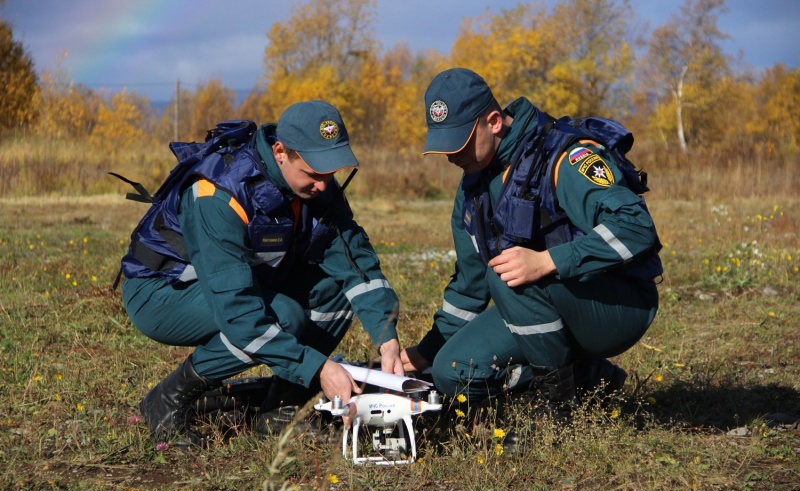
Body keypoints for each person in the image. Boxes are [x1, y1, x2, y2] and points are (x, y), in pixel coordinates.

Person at [122, 100, 403, 444]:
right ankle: (166, 399)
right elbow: (240, 313)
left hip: (248, 280)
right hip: (161, 293)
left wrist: (386, 336)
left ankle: (282, 410)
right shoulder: (218, 193)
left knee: (335, 288)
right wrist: (317, 367)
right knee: (282, 315)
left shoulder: (317, 187)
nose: (323, 186)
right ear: (280, 151)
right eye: (314, 173)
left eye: (331, 173)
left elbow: (354, 262)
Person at [400, 68, 662, 421]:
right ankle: (587, 377)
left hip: (617, 306)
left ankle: (558, 409)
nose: (451, 156)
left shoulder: (565, 158)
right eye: (444, 145)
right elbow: (469, 286)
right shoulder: (471, 190)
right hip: (537, 305)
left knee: (509, 272)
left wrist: (547, 261)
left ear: (493, 121)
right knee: (452, 373)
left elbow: (637, 228)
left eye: (459, 143)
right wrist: (427, 352)